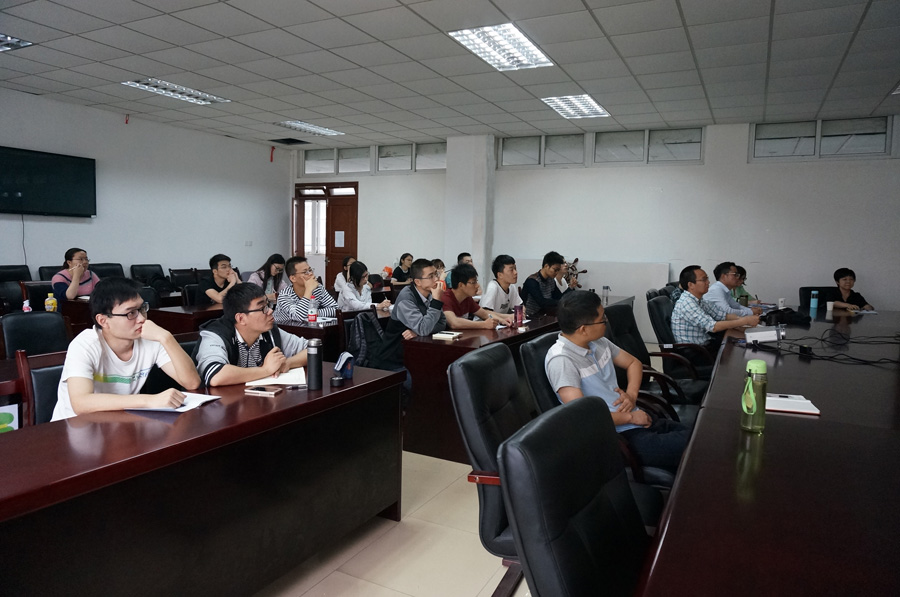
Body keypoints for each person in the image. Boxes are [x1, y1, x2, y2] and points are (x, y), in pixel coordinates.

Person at [545, 291, 690, 472]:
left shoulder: (598, 343)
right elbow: (583, 416)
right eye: (602, 319)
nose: (606, 322)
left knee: (700, 434)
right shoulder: (561, 360)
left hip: (638, 418)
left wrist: (631, 395)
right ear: (583, 329)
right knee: (699, 449)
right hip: (620, 438)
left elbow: (634, 363)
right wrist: (630, 418)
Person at [51, 277, 201, 420]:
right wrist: (149, 400)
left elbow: (191, 382)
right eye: (131, 313)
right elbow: (81, 403)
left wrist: (166, 338)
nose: (142, 319)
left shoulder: (149, 338)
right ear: (103, 320)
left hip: (119, 423)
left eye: (142, 308)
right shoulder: (85, 344)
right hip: (73, 427)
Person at [194, 283, 308, 387]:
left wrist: (287, 363)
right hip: (222, 401)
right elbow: (215, 376)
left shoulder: (268, 331)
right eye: (263, 308)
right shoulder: (215, 335)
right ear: (241, 318)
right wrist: (265, 370)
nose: (270, 311)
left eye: (268, 304)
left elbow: (312, 348)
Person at [371, 258, 447, 371]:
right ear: (418, 282)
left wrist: (417, 331)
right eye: (431, 276)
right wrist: (422, 329)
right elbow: (423, 329)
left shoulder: (430, 294)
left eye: (436, 274)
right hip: (394, 360)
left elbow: (442, 323)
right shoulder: (406, 298)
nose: (436, 279)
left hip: (415, 354)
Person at [671, 265, 759, 349]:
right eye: (704, 279)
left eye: (707, 278)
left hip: (706, 343)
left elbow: (722, 315)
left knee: (740, 340)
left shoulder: (700, 300)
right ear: (691, 285)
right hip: (695, 350)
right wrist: (744, 321)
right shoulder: (687, 303)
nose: (708, 282)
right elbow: (713, 327)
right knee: (738, 346)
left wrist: (744, 321)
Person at [442, 263, 513, 329]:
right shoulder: (446, 298)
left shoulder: (467, 298)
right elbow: (454, 323)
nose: (477, 285)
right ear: (461, 285)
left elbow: (485, 314)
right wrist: (484, 324)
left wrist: (502, 320)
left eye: (476, 281)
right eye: (473, 282)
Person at [274, 255, 337, 323]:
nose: (310, 274)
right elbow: (298, 316)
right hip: (285, 328)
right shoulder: (285, 295)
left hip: (308, 327)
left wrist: (315, 313)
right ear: (293, 278)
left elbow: (336, 309)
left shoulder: (318, 288)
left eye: (310, 270)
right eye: (305, 272)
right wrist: (309, 290)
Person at [522, 250, 577, 318]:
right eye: (555, 270)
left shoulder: (551, 280)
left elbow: (559, 296)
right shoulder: (532, 281)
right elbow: (542, 302)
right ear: (546, 266)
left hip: (544, 316)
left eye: (558, 270)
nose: (557, 272)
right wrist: (562, 302)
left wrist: (570, 287)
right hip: (529, 317)